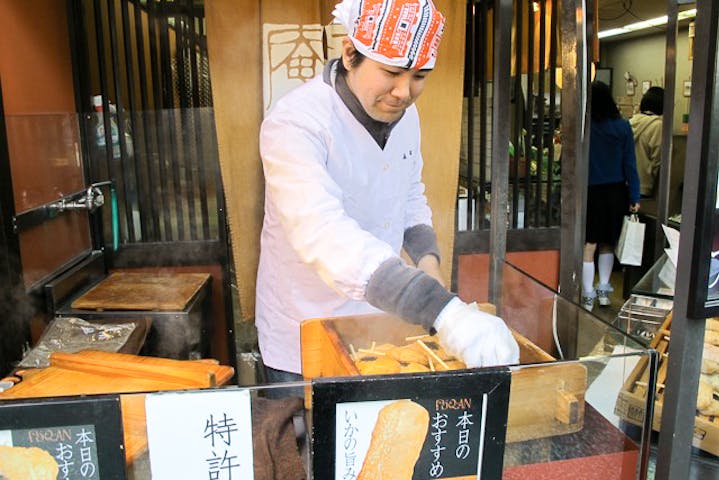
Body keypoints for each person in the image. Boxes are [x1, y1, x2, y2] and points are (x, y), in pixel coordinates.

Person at [256, 0, 519, 387]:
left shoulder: (404, 115)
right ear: (350, 54)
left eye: (419, 76)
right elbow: (322, 232)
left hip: (378, 320)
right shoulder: (296, 122)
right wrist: (439, 310)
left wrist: (428, 264)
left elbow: (411, 194)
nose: (404, 91)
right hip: (302, 326)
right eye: (392, 72)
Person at [582, 81, 640, 311]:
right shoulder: (623, 127)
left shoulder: (586, 128)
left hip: (590, 192)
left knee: (589, 245)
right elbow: (630, 164)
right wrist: (634, 195)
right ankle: (604, 292)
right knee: (608, 244)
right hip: (616, 192)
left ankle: (587, 295)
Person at [629, 86, 664, 213]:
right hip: (644, 186)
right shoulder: (658, 127)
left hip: (625, 184)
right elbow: (658, 159)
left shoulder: (630, 122)